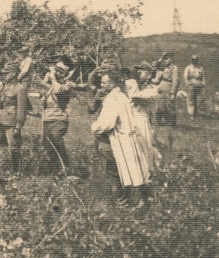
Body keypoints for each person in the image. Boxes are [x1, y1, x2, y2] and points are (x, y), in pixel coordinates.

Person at [91, 70, 150, 207]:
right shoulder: (122, 96)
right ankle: (133, 201)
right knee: (125, 171)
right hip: (126, 140)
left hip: (112, 140)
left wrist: (94, 127)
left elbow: (106, 123)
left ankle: (121, 204)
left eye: (104, 82)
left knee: (113, 174)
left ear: (112, 84)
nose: (101, 84)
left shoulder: (112, 99)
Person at [0, 63, 29, 176]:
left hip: (11, 122)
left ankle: (16, 172)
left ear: (14, 74)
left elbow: (22, 109)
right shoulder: (5, 86)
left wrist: (18, 126)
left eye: (6, 73)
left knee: (13, 148)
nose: (4, 75)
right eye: (4, 73)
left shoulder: (20, 89)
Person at [41, 61, 87, 176]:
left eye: (58, 72)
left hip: (59, 119)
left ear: (63, 74)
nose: (55, 73)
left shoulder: (67, 85)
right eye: (55, 71)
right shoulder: (52, 86)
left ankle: (66, 166)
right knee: (47, 144)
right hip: (48, 119)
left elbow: (58, 90)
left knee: (56, 139)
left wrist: (52, 77)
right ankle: (56, 169)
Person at [126, 62, 162, 174]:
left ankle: (148, 175)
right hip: (131, 121)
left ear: (149, 76)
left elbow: (134, 97)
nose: (137, 74)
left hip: (143, 123)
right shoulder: (136, 86)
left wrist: (133, 82)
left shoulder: (153, 90)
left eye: (141, 72)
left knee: (145, 151)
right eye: (137, 72)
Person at [151, 52, 179, 126]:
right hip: (161, 89)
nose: (165, 60)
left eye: (167, 58)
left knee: (169, 107)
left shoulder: (174, 68)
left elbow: (175, 81)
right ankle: (158, 122)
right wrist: (162, 57)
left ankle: (171, 123)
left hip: (168, 90)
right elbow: (156, 66)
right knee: (159, 106)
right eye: (165, 58)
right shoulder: (165, 67)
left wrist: (173, 93)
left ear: (171, 59)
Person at [183, 55, 206, 121]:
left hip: (199, 85)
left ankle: (196, 114)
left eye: (196, 60)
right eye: (193, 60)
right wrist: (187, 84)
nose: (195, 61)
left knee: (198, 100)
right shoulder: (188, 68)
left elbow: (203, 77)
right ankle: (191, 115)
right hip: (191, 85)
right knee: (191, 100)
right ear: (192, 60)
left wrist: (203, 83)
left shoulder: (200, 68)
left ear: (198, 60)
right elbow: (185, 77)